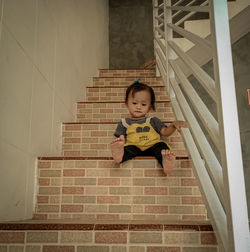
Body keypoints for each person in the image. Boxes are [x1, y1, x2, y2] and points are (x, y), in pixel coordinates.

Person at [110, 80, 188, 175]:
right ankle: (119, 156)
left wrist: (173, 125)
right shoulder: (124, 122)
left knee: (162, 148)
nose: (138, 107)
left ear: (149, 107)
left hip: (153, 145)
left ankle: (166, 163)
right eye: (134, 103)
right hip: (135, 146)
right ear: (126, 103)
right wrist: (120, 143)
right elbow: (121, 138)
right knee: (128, 148)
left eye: (143, 104)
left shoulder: (153, 120)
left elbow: (165, 132)